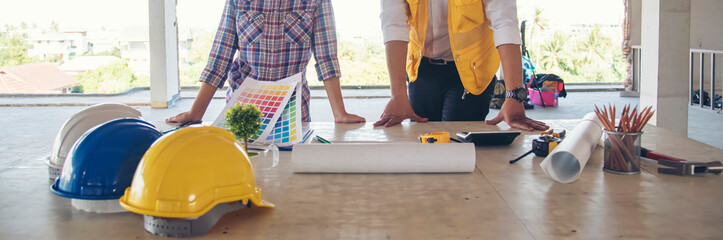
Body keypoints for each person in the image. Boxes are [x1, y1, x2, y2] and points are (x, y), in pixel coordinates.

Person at [167, 0, 365, 124]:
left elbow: (326, 58)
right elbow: (221, 55)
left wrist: (340, 113)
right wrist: (196, 113)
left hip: (292, 112)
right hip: (242, 111)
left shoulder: (316, 2)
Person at [374, 0, 549, 131]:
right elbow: (394, 24)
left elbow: (504, 22)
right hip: (423, 69)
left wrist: (514, 96)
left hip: (473, 71)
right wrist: (397, 95)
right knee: (423, 139)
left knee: (461, 139)